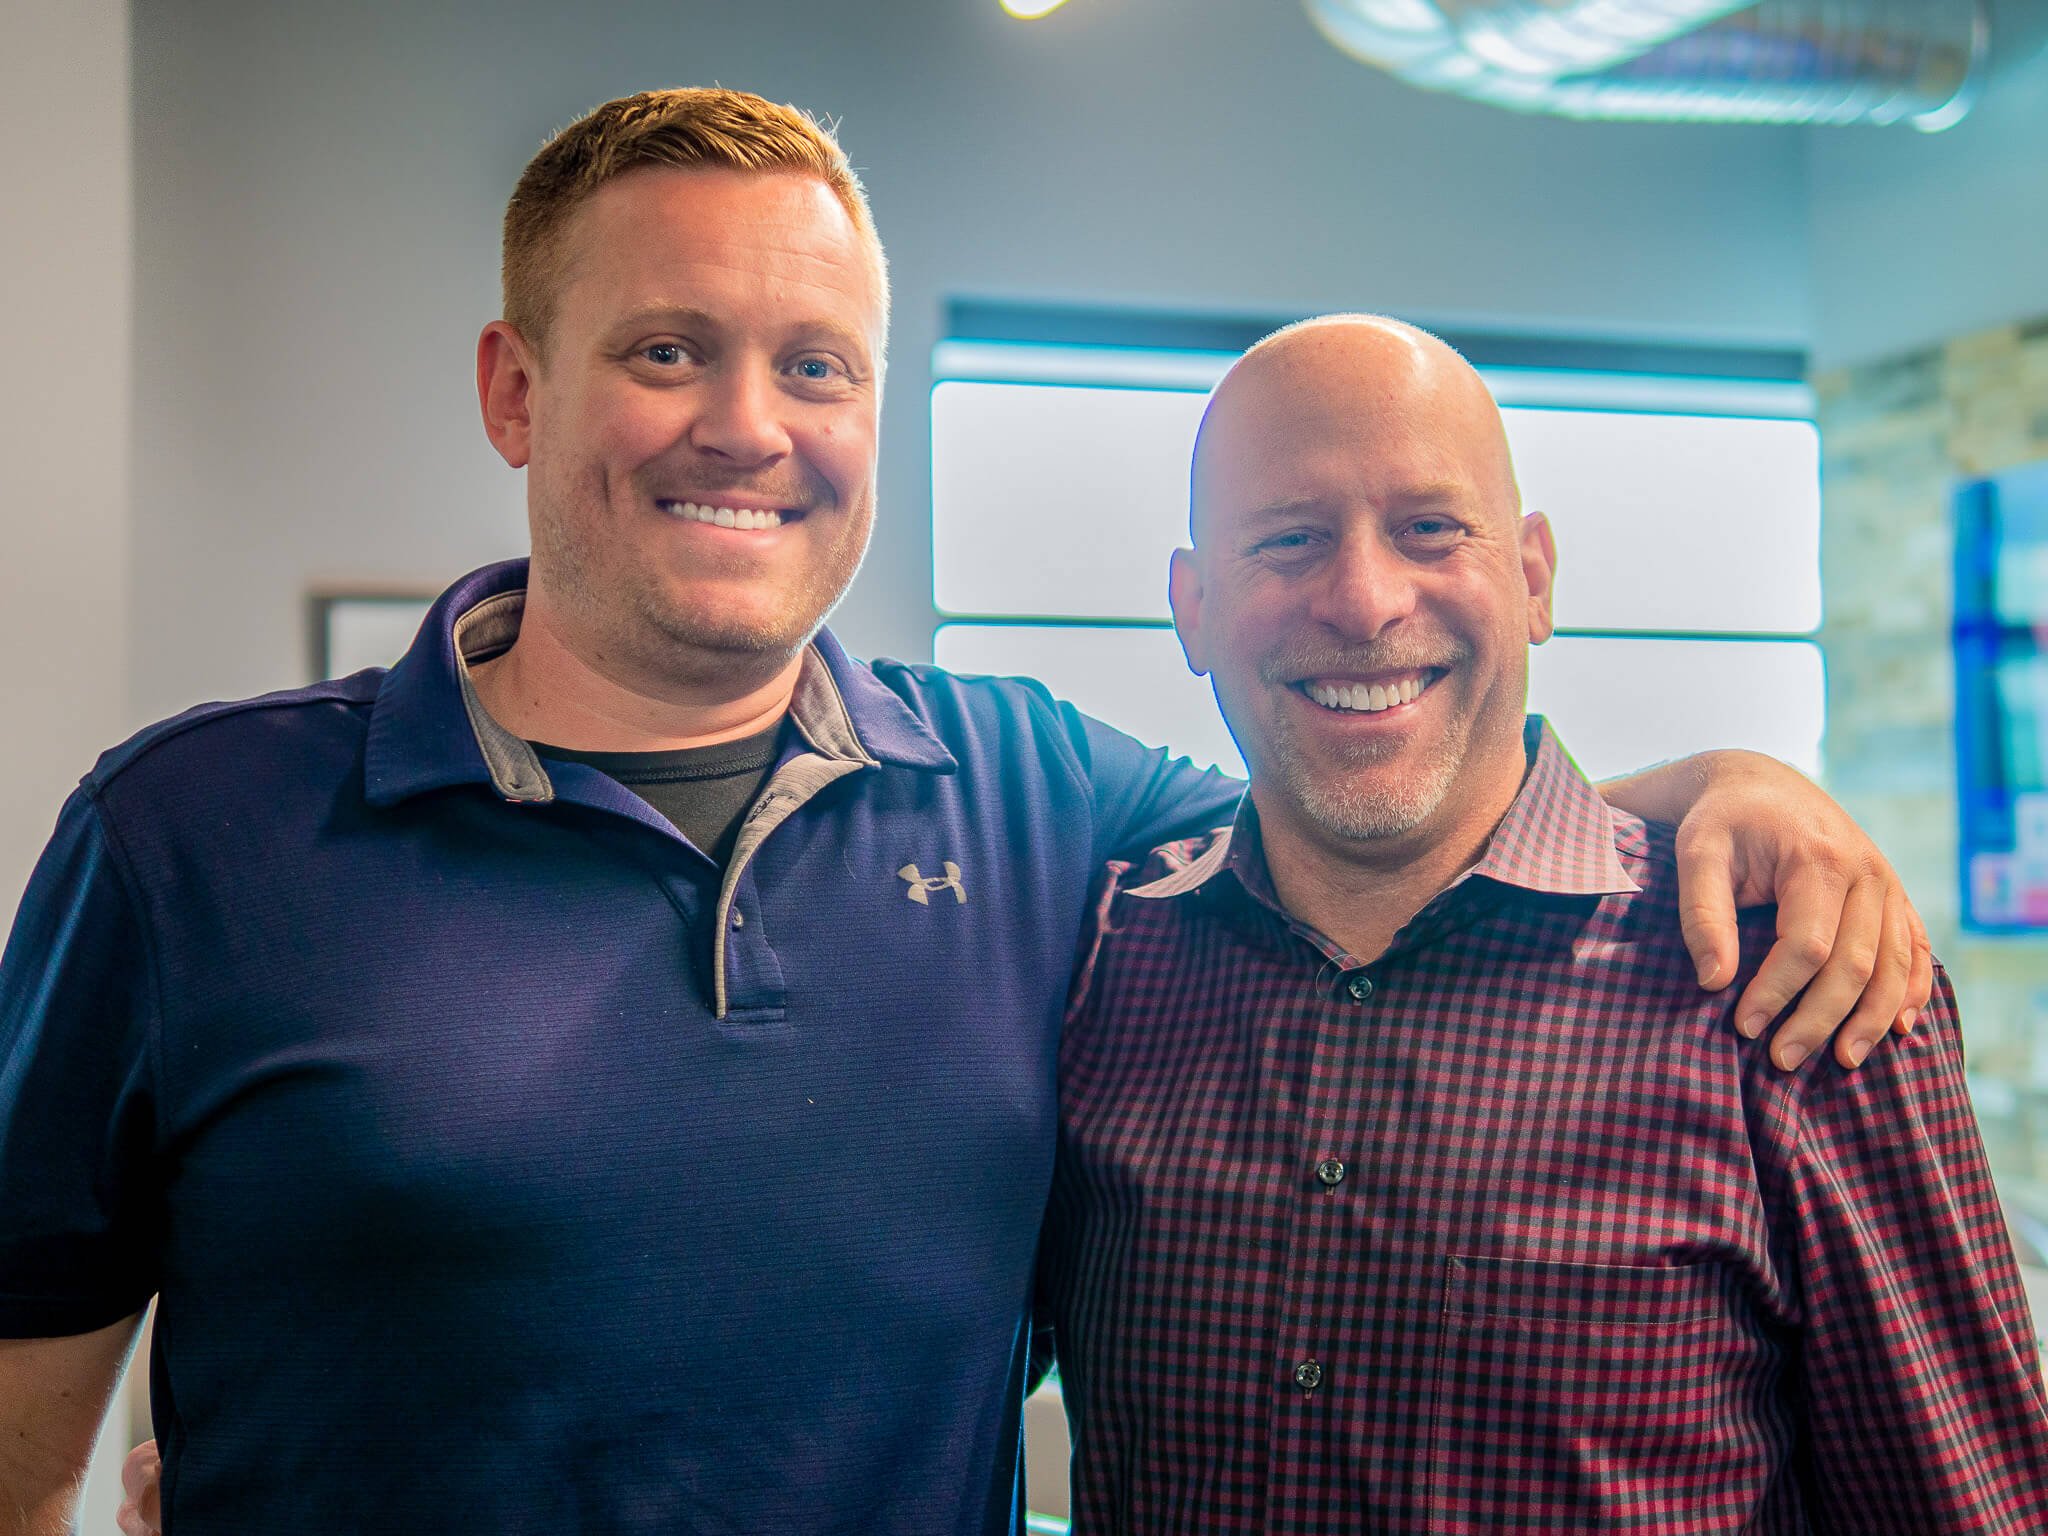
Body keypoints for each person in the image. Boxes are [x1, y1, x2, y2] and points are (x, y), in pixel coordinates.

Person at [0, 90, 1921, 1536]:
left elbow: (1379, 791)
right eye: (666, 349)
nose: (746, 424)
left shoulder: (1032, 801)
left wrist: (1731, 795)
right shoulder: (190, 836)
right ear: (517, 387)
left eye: (812, 364)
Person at [1036, 315, 2048, 1533]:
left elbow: (1965, 1505)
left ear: (1530, 579)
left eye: (1427, 529)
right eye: (1288, 540)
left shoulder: (1789, 971)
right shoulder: (1098, 966)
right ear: (1190, 610)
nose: (1362, 600)